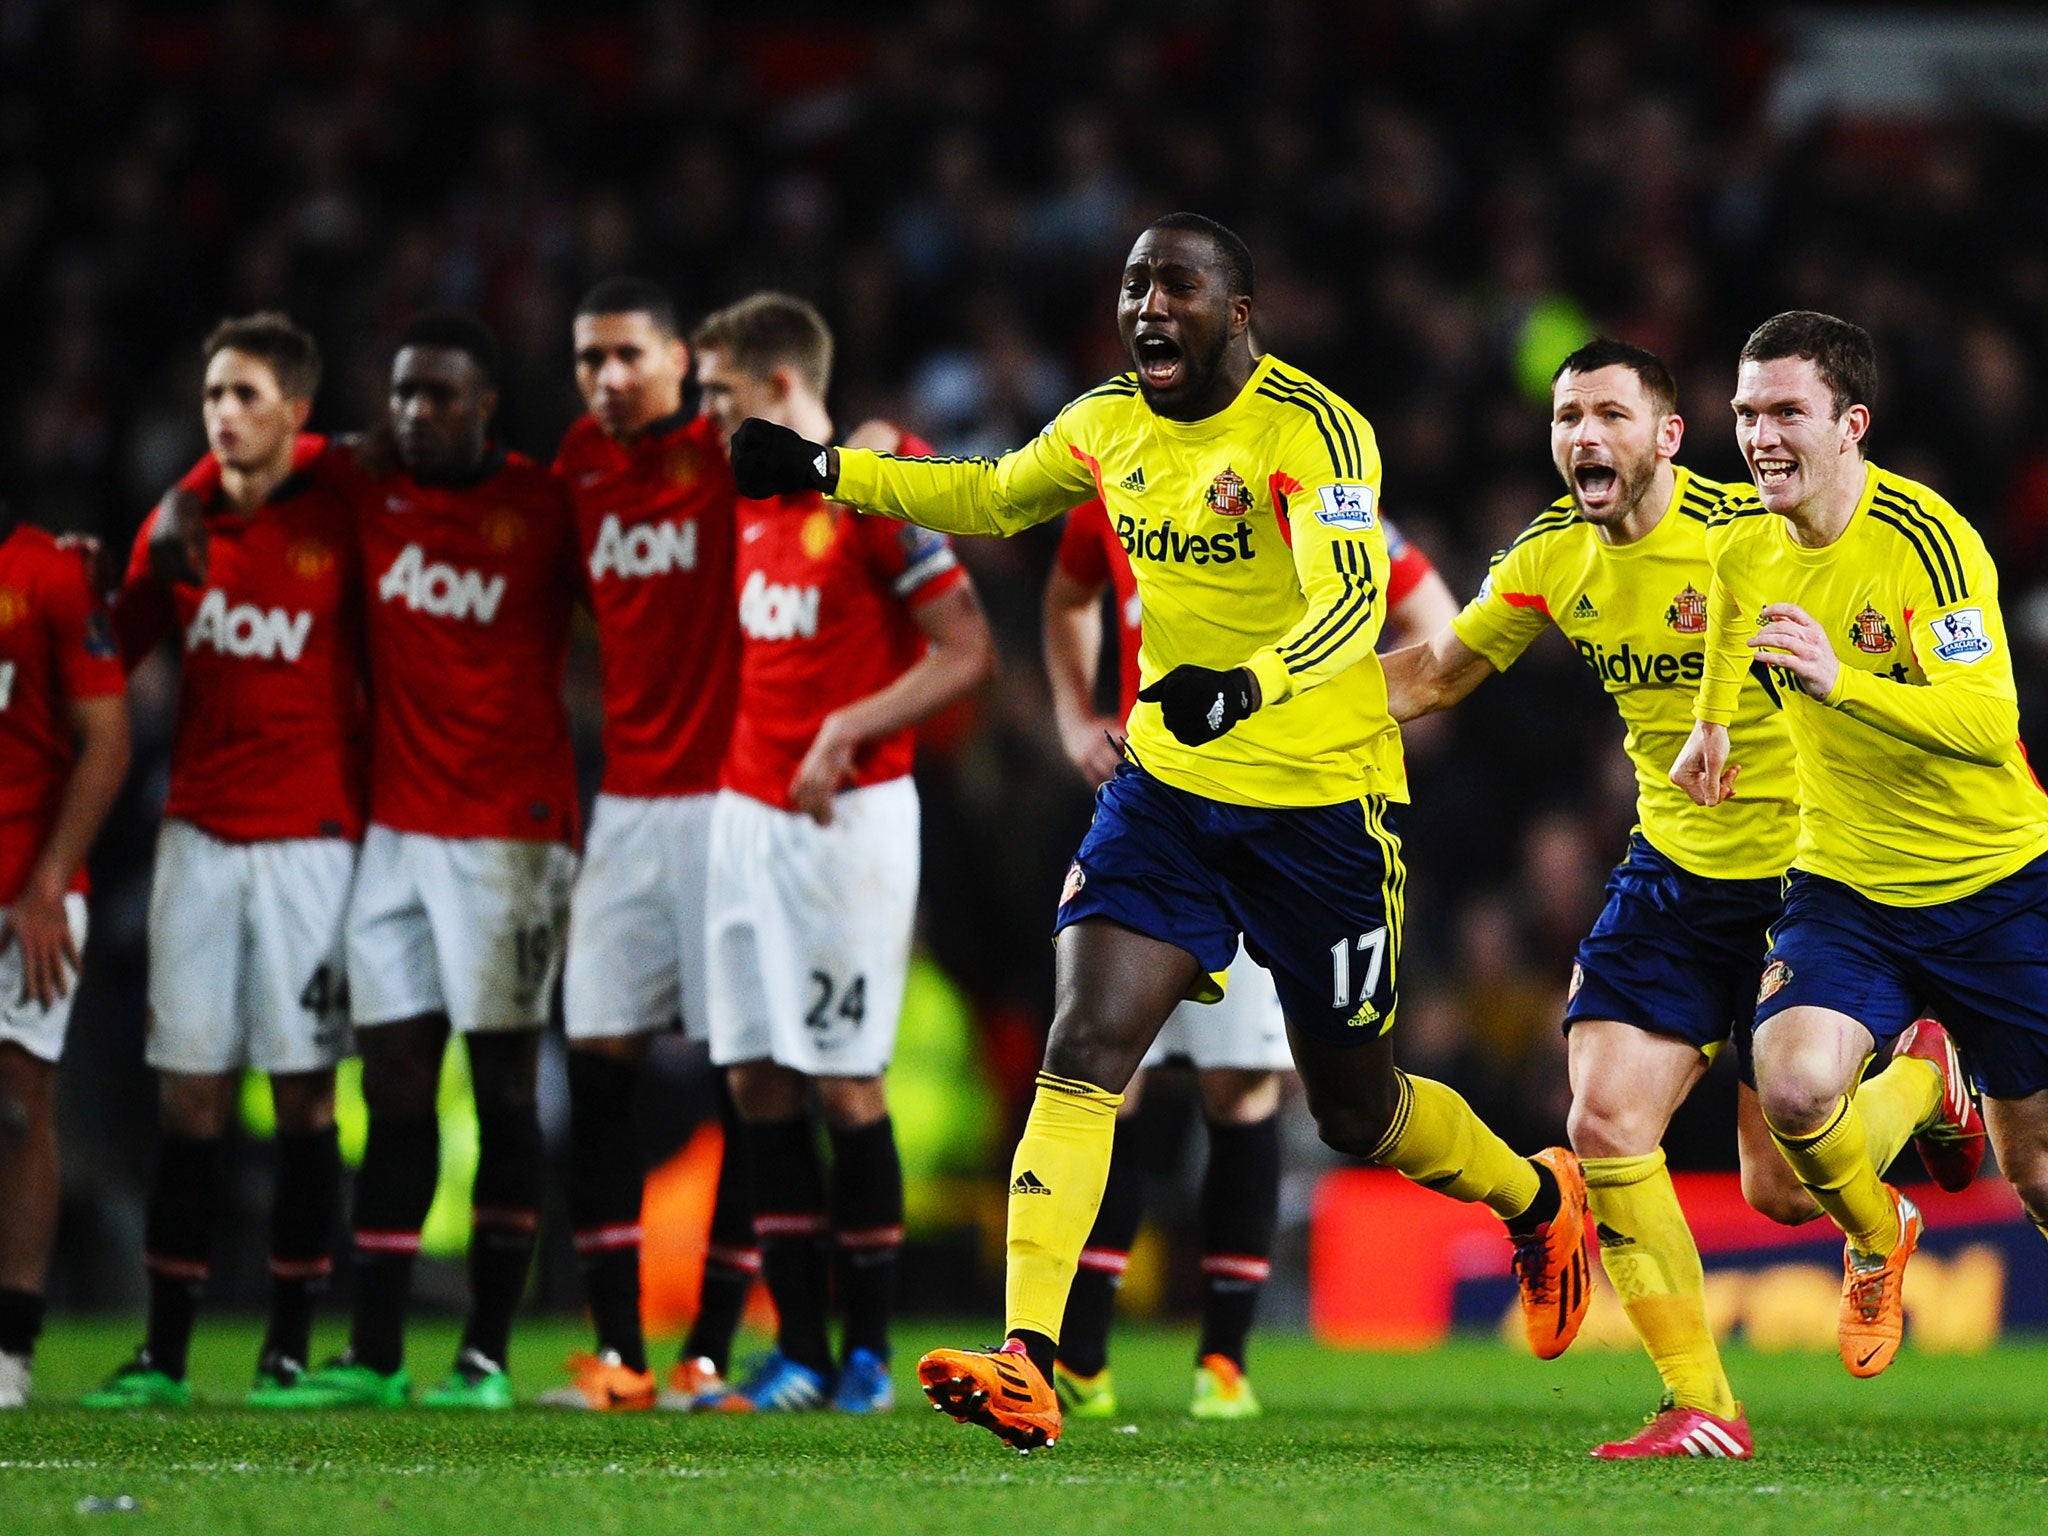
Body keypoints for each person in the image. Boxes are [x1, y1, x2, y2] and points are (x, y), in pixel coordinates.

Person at [730, 213, 1591, 1453]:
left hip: (1321, 807)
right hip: (1168, 794)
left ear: (1237, 313)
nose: (1146, 306)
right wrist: (828, 474)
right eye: (1132, 284)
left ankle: (1530, 1193)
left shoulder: (1314, 427)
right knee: (1083, 1046)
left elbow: (1354, 593)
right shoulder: (1104, 424)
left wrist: (1245, 684)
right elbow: (989, 492)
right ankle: (1030, 1355)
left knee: (1351, 1108)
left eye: (1174, 286)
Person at [1382, 336, 1980, 1458]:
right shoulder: (1551, 555)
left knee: (1780, 1190)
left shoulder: (1748, 534)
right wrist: (1274, 706)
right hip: (1670, 869)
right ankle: (1699, 1402)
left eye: (1609, 415)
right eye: (1566, 419)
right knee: (1601, 1120)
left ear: (1665, 436)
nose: (1582, 439)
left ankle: (1920, 1090)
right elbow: (1436, 672)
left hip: (1806, 868)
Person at [155, 316, 581, 1408]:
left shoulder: (541, 505)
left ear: (486, 404)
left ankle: (486, 1350)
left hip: (510, 837)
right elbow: (254, 446)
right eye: (402, 395)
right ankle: (378, 1352)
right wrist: (180, 498)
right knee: (390, 1084)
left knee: (499, 1091)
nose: (415, 414)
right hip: (392, 834)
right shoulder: (365, 483)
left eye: (440, 395)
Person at [1672, 310, 2048, 1379]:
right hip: (1842, 882)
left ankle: (1935, 1080)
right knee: (1788, 1089)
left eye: (1784, 411)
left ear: (1850, 424)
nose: (1757, 436)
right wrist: (1706, 728)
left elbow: (1986, 724)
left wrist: (1843, 680)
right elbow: (1733, 630)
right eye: (1744, 412)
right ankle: (1881, 1234)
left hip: (1997, 883)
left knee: (2036, 1175)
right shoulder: (1740, 539)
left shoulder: (1926, 543)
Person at [1044, 498, 1454, 1421]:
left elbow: (1438, 626)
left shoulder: (1322, 505)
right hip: (1155, 820)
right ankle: (1082, 1354)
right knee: (1110, 1078)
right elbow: (1068, 592)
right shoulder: (1121, 483)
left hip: (1278, 828)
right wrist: (1076, 717)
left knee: (1242, 1085)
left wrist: (1340, 730)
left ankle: (1223, 1358)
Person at [694, 292, 995, 1412]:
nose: (708, 416)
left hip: (848, 821)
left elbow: (967, 653)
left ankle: (866, 1353)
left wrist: (844, 728)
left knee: (845, 1082)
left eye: (720, 394)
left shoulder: (868, 486)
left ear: (778, 387)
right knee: (757, 1080)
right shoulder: (750, 504)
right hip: (744, 817)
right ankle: (799, 1352)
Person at [83, 315, 364, 1410]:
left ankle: (288, 1348)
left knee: (301, 1105)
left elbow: (371, 461)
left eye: (246, 394)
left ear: (294, 410)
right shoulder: (185, 530)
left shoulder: (340, 513)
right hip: (197, 842)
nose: (224, 413)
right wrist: (154, 550)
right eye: (213, 396)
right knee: (189, 1103)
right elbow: (115, 655)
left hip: (309, 849)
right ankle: (162, 1349)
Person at [538, 276, 755, 1413]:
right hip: (626, 802)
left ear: (678, 357)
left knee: (745, 1079)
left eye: (627, 356)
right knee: (597, 1062)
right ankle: (619, 1354)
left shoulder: (731, 453)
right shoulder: (577, 462)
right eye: (588, 360)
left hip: (731, 803)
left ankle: (708, 1358)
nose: (607, 380)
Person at [0, 500, 130, 1409]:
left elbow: (108, 739)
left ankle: (7, 1353)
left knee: (17, 1109)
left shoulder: (48, 573)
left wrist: (48, 883)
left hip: (25, 896)